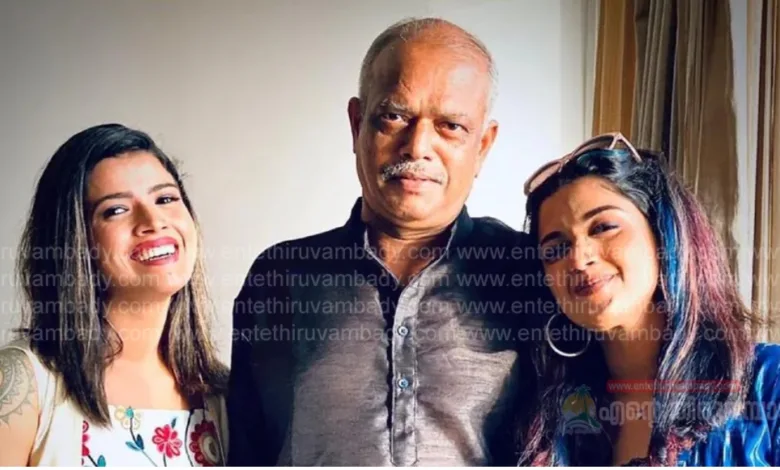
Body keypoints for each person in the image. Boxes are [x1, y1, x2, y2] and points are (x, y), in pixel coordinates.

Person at [227, 18, 538, 466]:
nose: (417, 147)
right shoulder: (278, 278)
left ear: (483, 145)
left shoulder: (530, 273)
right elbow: (245, 449)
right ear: (357, 124)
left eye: (451, 125)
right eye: (394, 117)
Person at [516, 132, 780, 466]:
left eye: (603, 227)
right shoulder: (549, 417)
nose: (579, 259)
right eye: (556, 249)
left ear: (662, 235)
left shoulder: (768, 383)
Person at [0, 124, 229, 466]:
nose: (153, 221)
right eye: (116, 210)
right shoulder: (21, 382)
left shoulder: (222, 395)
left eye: (166, 199)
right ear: (75, 241)